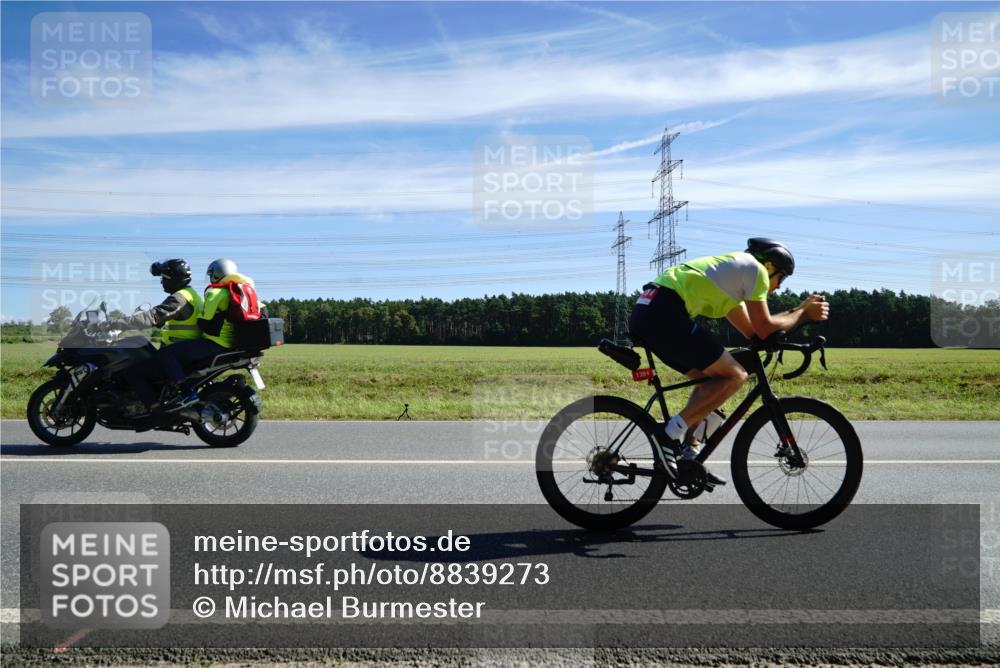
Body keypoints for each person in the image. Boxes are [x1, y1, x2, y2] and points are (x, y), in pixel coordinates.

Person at [628, 238, 829, 485]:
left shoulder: (731, 281)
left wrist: (797, 314)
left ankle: (689, 453)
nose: (778, 287)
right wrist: (803, 313)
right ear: (769, 266)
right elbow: (764, 327)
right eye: (782, 278)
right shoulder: (755, 270)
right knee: (736, 375)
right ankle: (669, 436)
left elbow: (754, 333)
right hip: (665, 311)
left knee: (710, 381)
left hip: (649, 309)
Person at [116, 259, 205, 411]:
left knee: (132, 373)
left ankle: (155, 409)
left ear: (174, 279)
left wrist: (118, 323)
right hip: (185, 350)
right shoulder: (193, 295)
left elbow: (154, 316)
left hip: (178, 353)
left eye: (164, 278)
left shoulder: (180, 298)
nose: (162, 282)